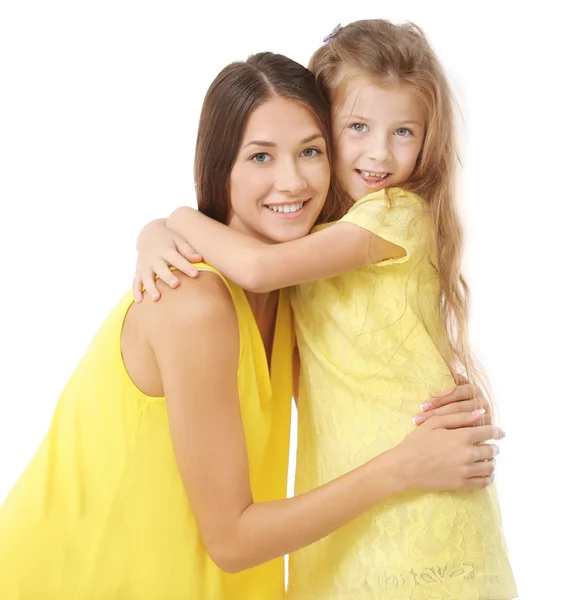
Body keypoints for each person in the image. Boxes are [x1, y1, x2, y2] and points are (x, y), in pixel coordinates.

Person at [0, 51, 503, 600]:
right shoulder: (193, 302)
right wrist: (403, 467)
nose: (291, 181)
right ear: (221, 170)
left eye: (310, 151)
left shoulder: (297, 293)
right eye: (260, 157)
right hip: (72, 580)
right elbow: (233, 540)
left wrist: (437, 388)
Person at [132, 20, 517, 600]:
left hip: (421, 508)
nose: (379, 154)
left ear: (428, 139)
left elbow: (257, 269)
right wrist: (148, 237)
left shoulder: (394, 214)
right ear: (329, 129)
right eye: (357, 127)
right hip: (347, 518)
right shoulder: (316, 240)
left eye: (404, 132)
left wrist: (173, 221)